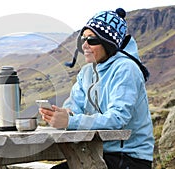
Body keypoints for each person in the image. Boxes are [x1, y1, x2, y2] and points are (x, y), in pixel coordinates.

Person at [39, 8, 154, 169]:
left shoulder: (127, 69)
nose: (84, 45)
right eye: (82, 39)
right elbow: (74, 105)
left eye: (92, 40)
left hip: (128, 156)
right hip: (95, 150)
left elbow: (118, 119)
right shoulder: (86, 71)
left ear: (109, 44)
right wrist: (64, 114)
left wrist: (71, 121)